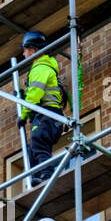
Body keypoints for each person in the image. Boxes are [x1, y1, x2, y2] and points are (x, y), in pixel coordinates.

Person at [17, 31, 67, 184]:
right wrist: (21, 96)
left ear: (32, 50)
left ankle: (47, 173)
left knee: (38, 142)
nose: (24, 55)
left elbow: (35, 95)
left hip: (47, 115)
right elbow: (34, 95)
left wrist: (23, 115)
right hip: (48, 116)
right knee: (31, 149)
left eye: (25, 51)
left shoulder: (40, 68)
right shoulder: (42, 68)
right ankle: (37, 176)